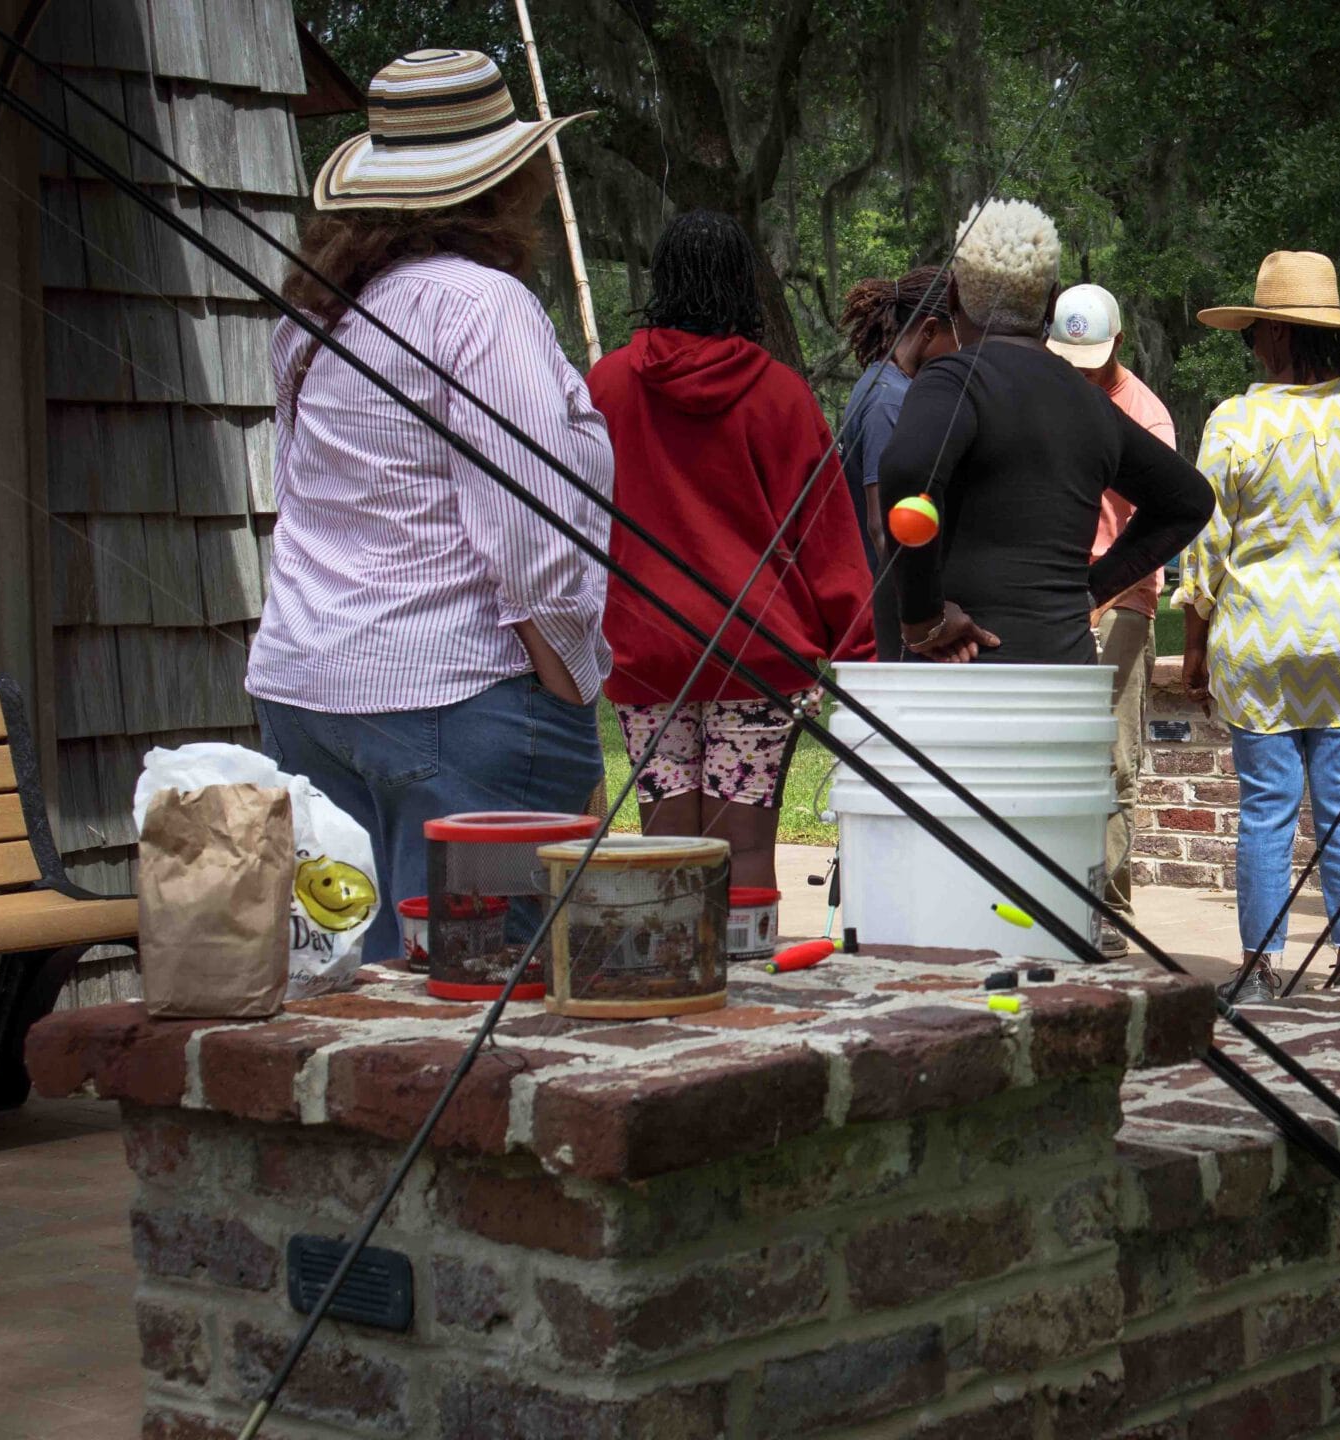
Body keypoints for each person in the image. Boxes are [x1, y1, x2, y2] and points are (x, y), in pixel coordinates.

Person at [247, 49, 610, 966]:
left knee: (355, 993)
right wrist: (568, 686)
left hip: (306, 694)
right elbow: (529, 523)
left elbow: (303, 498)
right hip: (463, 696)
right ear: (506, 182)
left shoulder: (318, 311)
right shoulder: (482, 304)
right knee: (485, 982)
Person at [589, 211, 875, 891]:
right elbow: (825, 534)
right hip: (758, 651)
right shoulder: (781, 394)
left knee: (668, 847)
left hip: (646, 645)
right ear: (745, 284)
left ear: (660, 282)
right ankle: (747, 959)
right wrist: (861, 647)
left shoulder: (605, 386)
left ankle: (676, 956)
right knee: (744, 851)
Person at [1179, 251, 1340, 1002]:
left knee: (1266, 809)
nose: (1253, 343)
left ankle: (1259, 968)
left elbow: (1207, 544)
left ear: (1280, 334)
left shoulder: (1235, 421)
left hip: (1259, 641)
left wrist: (1194, 643)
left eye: (1257, 330)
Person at [876, 200, 1211, 668]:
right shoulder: (1091, 401)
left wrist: (921, 615)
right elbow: (1189, 500)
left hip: (959, 671)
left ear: (952, 295)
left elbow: (907, 470)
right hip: (1064, 663)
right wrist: (1090, 590)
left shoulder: (950, 381)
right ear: (1053, 302)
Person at [1049, 283, 1180, 957]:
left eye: (1091, 362)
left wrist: (1101, 595)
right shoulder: (1045, 394)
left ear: (1120, 344)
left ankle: (1110, 910)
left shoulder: (1146, 415)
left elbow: (1162, 522)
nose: (1079, 373)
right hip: (1050, 592)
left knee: (1111, 758)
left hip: (1118, 600)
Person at [837, 267, 957, 660]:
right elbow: (882, 526)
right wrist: (923, 615)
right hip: (899, 620)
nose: (962, 355)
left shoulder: (884, 385)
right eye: (957, 340)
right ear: (929, 330)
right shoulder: (889, 401)